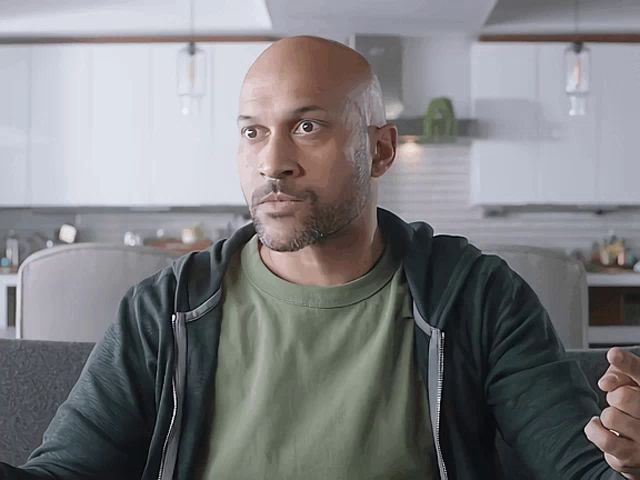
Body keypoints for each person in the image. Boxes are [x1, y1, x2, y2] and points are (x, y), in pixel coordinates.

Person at [1, 35, 639, 480]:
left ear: (380, 151)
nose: (272, 161)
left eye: (307, 126)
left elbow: (583, 469)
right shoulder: (164, 310)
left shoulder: (477, 297)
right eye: (253, 131)